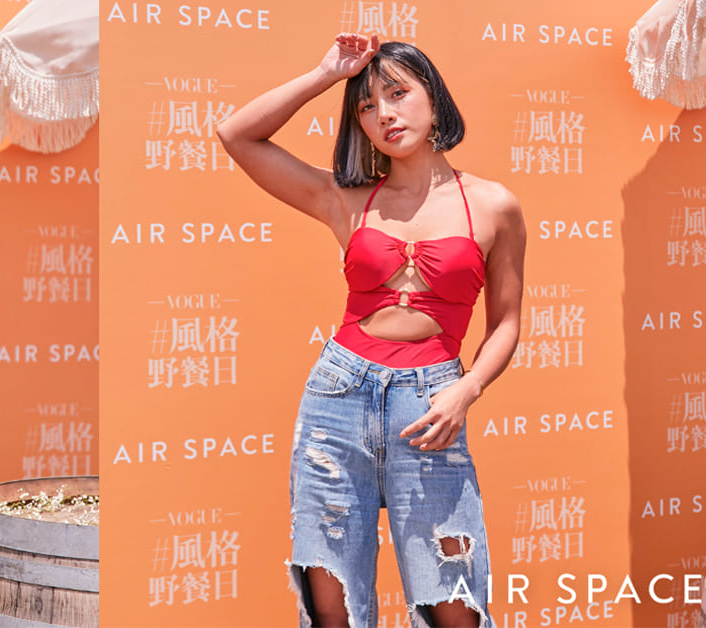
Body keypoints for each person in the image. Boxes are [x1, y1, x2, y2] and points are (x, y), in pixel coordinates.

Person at [218, 34, 525, 628]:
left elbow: (506, 320)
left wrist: (466, 389)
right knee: (332, 607)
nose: (383, 113)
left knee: (452, 604)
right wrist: (326, 74)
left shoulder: (494, 205)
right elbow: (237, 135)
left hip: (430, 405)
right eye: (366, 105)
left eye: (397, 94)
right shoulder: (346, 198)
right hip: (338, 397)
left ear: (433, 97)